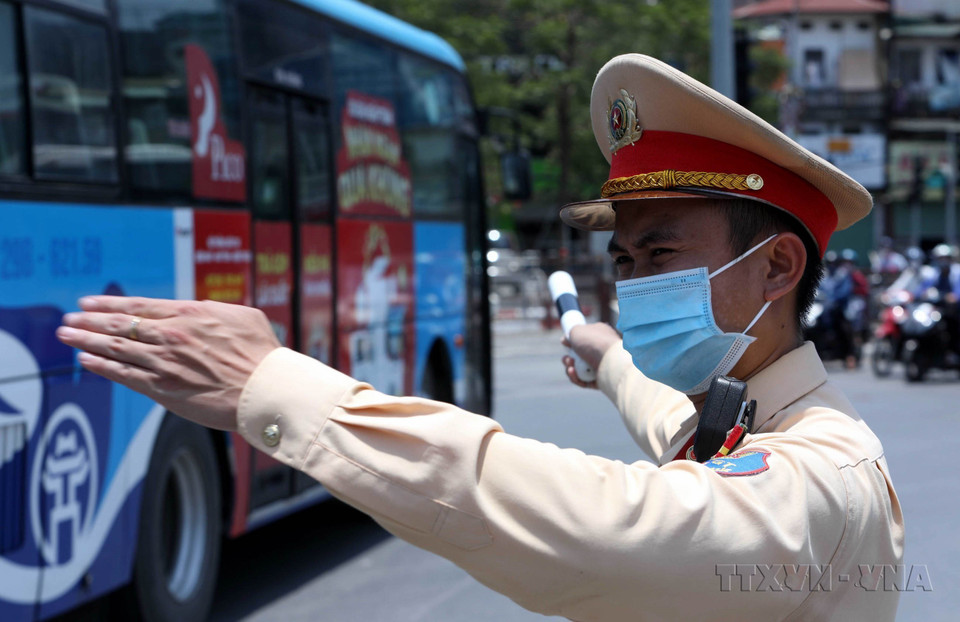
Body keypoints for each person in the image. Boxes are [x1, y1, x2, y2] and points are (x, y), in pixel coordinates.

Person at [56, 55, 903, 620]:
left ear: (779, 267)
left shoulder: (822, 476)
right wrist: (609, 358)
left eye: (662, 252)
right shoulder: (735, 419)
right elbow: (670, 423)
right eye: (624, 257)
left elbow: (606, 525)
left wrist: (278, 386)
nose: (637, 280)